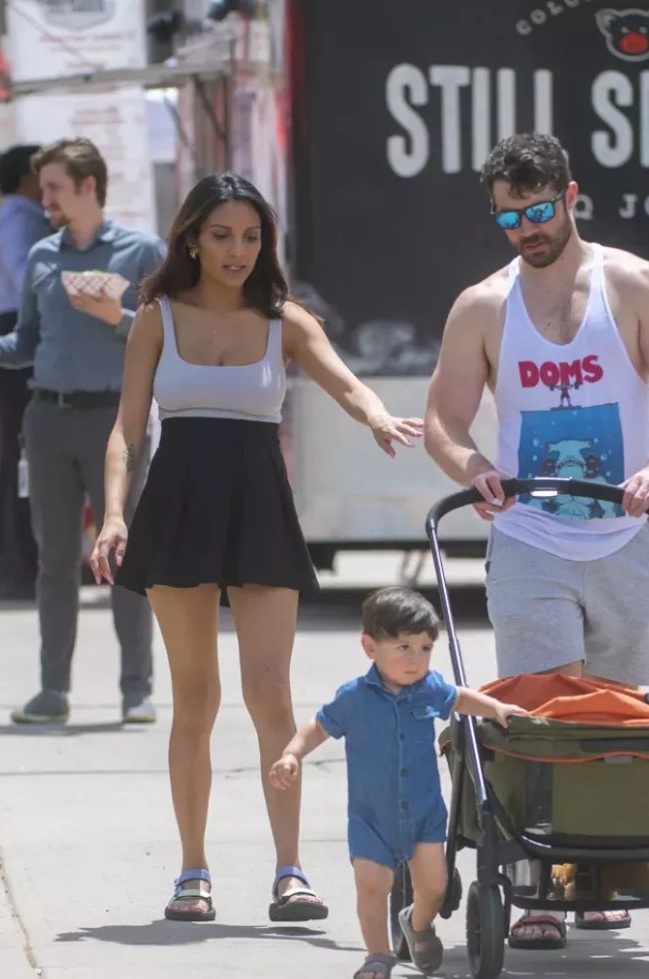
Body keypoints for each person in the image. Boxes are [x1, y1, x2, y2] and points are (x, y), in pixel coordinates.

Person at [88, 172, 425, 928]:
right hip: (176, 506)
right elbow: (128, 428)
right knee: (195, 700)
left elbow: (345, 381)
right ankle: (193, 870)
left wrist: (376, 415)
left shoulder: (284, 319)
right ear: (191, 239)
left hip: (259, 506)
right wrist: (113, 513)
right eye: (221, 236)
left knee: (270, 690)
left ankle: (291, 870)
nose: (238, 250)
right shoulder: (157, 317)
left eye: (251, 236)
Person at [423, 132, 649, 947]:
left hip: (626, 533)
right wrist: (473, 463)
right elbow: (442, 419)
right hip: (530, 534)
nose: (527, 229)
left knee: (618, 719)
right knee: (542, 710)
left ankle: (609, 873)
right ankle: (538, 888)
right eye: (509, 217)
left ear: (571, 195)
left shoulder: (633, 285)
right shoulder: (483, 305)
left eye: (540, 210)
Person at [0, 138, 165, 725]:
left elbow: (170, 336)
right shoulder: (43, 256)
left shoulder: (142, 251)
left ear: (88, 187)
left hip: (113, 425)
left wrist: (114, 317)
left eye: (53, 189)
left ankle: (135, 689)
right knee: (53, 560)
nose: (43, 199)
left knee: (122, 557)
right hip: (46, 419)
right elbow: (25, 342)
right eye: (43, 188)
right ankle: (52, 690)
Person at [268, 587, 526, 979]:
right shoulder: (354, 697)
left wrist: (496, 708)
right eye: (403, 647)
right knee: (372, 887)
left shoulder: (430, 687)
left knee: (435, 889)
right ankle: (378, 954)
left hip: (423, 813)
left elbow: (459, 699)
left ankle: (416, 924)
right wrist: (291, 755)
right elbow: (317, 727)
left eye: (425, 648)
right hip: (371, 817)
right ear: (370, 647)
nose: (415, 659)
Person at [0, 144, 51, 601]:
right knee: (21, 451)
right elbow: (28, 273)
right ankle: (17, 569)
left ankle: (22, 565)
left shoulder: (22, 213)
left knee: (23, 451)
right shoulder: (21, 216)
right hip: (15, 332)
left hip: (18, 330)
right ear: (27, 177)